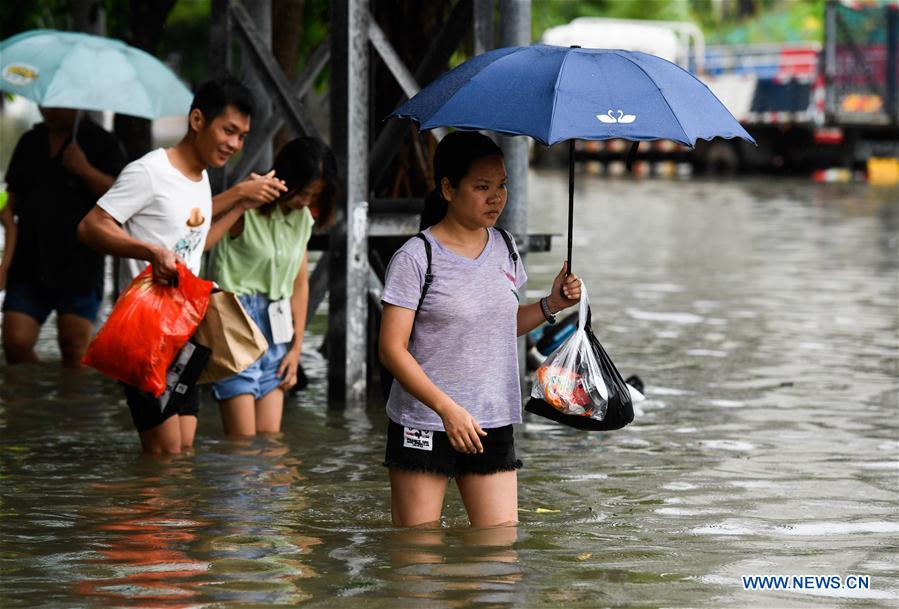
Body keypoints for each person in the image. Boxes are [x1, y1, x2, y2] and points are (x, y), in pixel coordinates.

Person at [379, 131, 582, 528]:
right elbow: (391, 349)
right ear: (448, 189)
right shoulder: (416, 257)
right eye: (482, 187)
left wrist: (550, 304)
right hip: (425, 422)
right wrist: (447, 409)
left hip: (491, 416)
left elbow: (499, 325)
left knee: (498, 560)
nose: (497, 197)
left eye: (502, 185)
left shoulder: (505, 246)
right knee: (417, 562)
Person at [77, 77, 287, 455]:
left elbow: (196, 246)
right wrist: (149, 251)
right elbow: (91, 226)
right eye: (228, 130)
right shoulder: (149, 171)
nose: (235, 144)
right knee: (165, 453)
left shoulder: (201, 178)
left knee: (183, 450)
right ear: (196, 120)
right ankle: (101, 511)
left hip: (186, 330)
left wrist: (241, 205)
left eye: (242, 136)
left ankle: (157, 512)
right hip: (145, 333)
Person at [206, 136, 338, 437]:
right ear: (285, 179)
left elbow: (299, 282)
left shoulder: (303, 219)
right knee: (242, 444)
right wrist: (240, 199)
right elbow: (194, 228)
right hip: (235, 320)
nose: (306, 202)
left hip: (278, 326)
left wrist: (297, 347)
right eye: (302, 192)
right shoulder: (246, 211)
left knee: (271, 444)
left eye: (314, 196)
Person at [1, 107, 126, 367]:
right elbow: (10, 205)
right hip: (29, 262)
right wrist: (5, 264)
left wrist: (85, 169)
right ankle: (32, 401)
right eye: (45, 103)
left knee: (74, 351)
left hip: (79, 265)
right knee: (15, 343)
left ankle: (70, 405)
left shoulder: (102, 143)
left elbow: (123, 199)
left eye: (58, 105)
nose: (49, 110)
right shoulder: (30, 141)